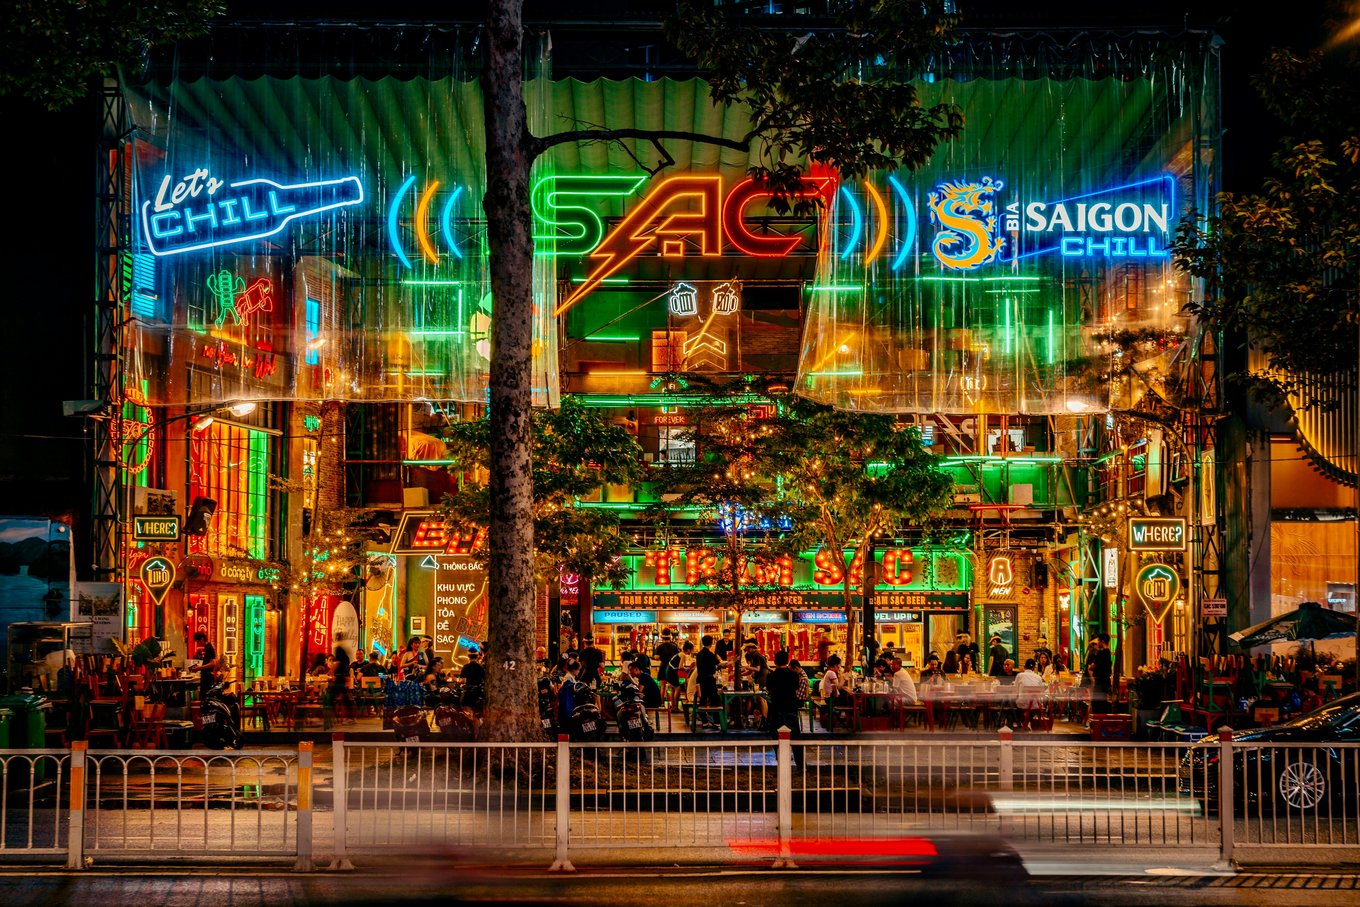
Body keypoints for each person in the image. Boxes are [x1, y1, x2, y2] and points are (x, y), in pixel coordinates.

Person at [766, 650, 802, 767]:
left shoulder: (771, 676)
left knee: (776, 737)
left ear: (775, 661)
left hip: (776, 708)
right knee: (796, 738)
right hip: (791, 707)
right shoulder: (793, 675)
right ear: (787, 660)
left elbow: (769, 689)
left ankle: (782, 762)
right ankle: (800, 765)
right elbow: (796, 687)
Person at [1013, 658, 1048, 724]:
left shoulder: (1019, 675)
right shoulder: (1038, 677)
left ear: (1024, 666)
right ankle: (1025, 722)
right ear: (1034, 668)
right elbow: (1041, 693)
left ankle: (1020, 723)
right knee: (1031, 707)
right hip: (1036, 705)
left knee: (1012, 703)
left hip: (1022, 704)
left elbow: (1015, 690)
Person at [1087, 633, 1114, 714]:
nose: (1097, 642)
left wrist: (1091, 667)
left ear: (1102, 641)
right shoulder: (1109, 653)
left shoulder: (1100, 653)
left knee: (1096, 703)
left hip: (1099, 682)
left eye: (1098, 640)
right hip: (1106, 681)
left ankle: (1096, 721)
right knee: (1103, 702)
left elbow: (1093, 666)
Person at [695, 635, 722, 713]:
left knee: (702, 699)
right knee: (715, 699)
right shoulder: (710, 654)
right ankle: (716, 721)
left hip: (700, 678)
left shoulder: (699, 654)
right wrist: (732, 661)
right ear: (711, 643)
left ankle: (705, 721)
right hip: (709, 679)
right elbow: (720, 664)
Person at [191, 631, 220, 698]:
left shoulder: (209, 648)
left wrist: (199, 668)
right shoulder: (208, 647)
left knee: (205, 697)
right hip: (207, 676)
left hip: (208, 677)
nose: (198, 644)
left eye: (198, 642)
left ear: (202, 639)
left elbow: (212, 663)